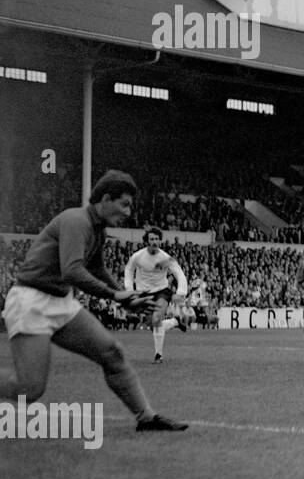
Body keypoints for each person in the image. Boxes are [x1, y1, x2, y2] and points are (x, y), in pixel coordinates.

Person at [1, 170, 187, 431]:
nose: (127, 212)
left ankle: (146, 418)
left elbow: (97, 269)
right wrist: (114, 295)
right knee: (29, 388)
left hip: (60, 302)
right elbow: (72, 270)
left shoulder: (97, 230)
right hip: (31, 302)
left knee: (112, 353)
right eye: (124, 204)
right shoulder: (77, 221)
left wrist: (126, 299)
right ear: (106, 198)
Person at [125, 227, 191, 362]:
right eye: (152, 239)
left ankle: (158, 355)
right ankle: (174, 322)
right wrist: (129, 290)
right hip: (144, 293)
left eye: (156, 239)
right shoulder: (137, 256)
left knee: (156, 319)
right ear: (146, 241)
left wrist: (181, 292)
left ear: (160, 240)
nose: (155, 241)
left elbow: (179, 273)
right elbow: (128, 271)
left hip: (162, 291)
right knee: (154, 324)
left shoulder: (166, 258)